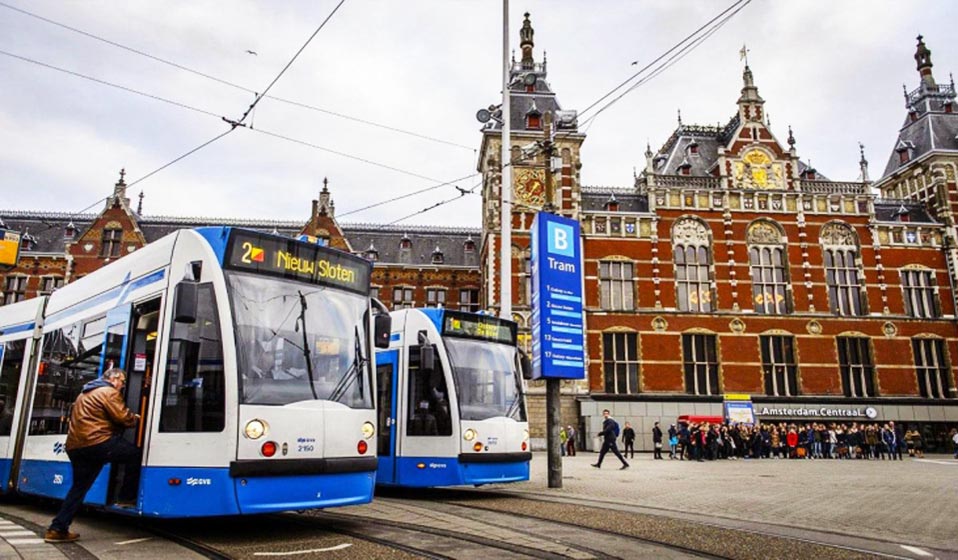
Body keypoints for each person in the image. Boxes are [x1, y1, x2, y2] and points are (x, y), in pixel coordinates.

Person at [46, 368, 140, 543]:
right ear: (114, 378)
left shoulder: (84, 394)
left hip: (76, 447)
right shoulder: (109, 392)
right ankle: (126, 497)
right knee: (134, 455)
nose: (123, 385)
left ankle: (57, 529)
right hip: (97, 442)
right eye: (122, 381)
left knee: (79, 488)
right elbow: (123, 418)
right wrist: (135, 418)